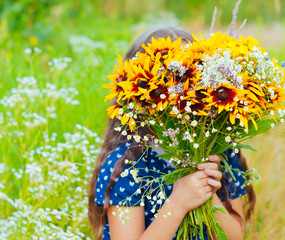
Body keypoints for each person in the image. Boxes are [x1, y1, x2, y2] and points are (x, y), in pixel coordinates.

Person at [88, 26, 256, 240]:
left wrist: (208, 191)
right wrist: (178, 203)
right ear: (140, 90)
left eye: (191, 78)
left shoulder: (222, 152)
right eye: (166, 82)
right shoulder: (128, 165)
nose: (181, 91)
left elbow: (235, 236)